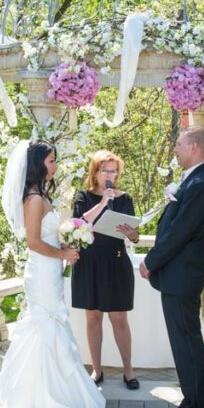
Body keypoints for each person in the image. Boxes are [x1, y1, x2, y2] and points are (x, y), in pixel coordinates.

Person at [0, 140, 120, 408]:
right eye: (51, 161)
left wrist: (74, 234)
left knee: (53, 326)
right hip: (42, 271)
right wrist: (62, 252)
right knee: (45, 326)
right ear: (38, 164)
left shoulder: (42, 195)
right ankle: (39, 397)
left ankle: (58, 391)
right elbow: (32, 241)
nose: (55, 166)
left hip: (51, 270)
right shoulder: (32, 198)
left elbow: (64, 228)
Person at [133, 126, 204, 408]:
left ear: (194, 147)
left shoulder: (200, 184)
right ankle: (190, 404)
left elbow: (180, 233)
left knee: (188, 346)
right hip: (177, 277)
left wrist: (151, 261)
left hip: (182, 277)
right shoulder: (194, 180)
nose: (175, 150)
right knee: (182, 346)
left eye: (179, 144)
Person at [72, 150, 140, 389]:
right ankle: (97, 370)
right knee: (92, 317)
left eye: (113, 170)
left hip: (116, 260)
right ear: (95, 172)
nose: (110, 175)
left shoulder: (125, 198)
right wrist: (102, 203)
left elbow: (134, 234)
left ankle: (128, 371)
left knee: (119, 317)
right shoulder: (83, 196)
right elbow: (78, 224)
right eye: (105, 170)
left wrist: (132, 233)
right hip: (89, 261)